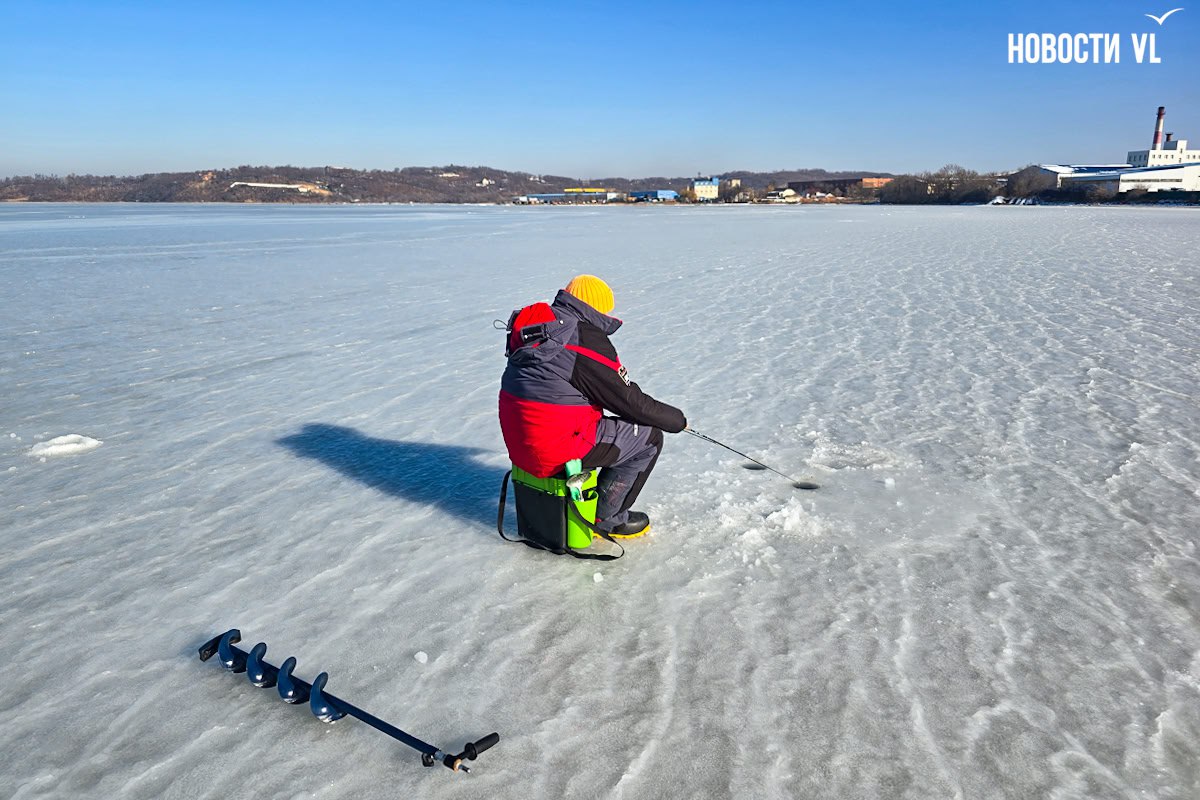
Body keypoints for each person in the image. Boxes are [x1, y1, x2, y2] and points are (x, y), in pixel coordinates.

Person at [499, 275, 686, 546]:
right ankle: (608, 519)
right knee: (648, 438)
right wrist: (676, 420)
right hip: (555, 449)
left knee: (610, 427)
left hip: (521, 446)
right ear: (596, 307)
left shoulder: (539, 328)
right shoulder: (582, 338)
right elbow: (629, 402)